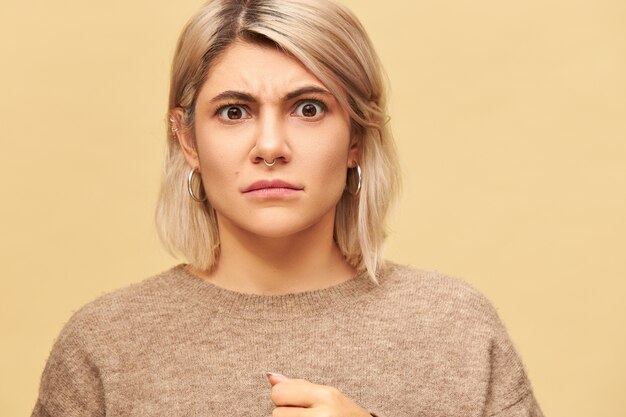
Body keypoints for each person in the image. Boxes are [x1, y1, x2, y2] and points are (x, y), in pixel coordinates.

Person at [31, 1, 544, 416]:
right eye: (234, 112)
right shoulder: (104, 345)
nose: (270, 146)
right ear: (187, 139)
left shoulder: (457, 328)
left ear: (357, 139)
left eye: (309, 108)